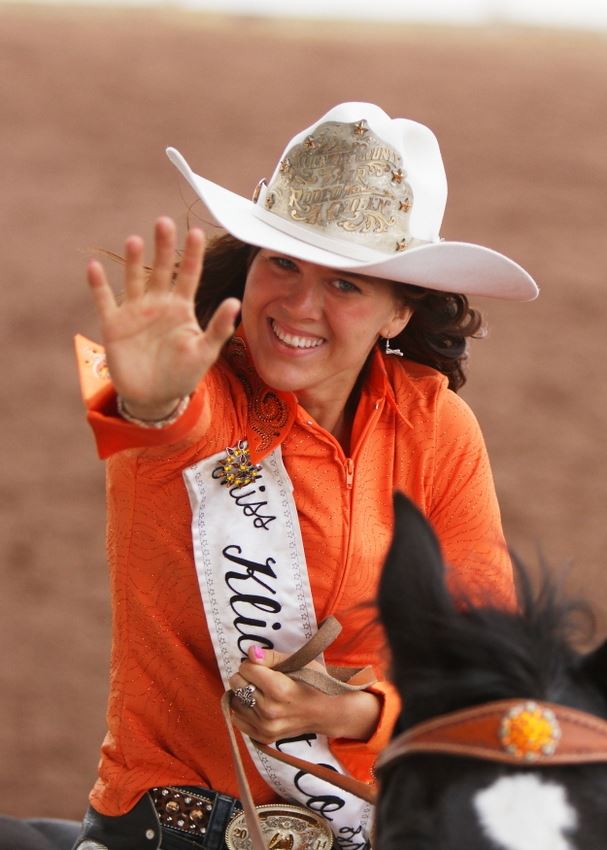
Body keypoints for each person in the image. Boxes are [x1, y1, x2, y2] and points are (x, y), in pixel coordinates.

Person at [63, 102, 537, 850]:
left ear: (395, 314)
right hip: (172, 826)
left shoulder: (436, 428)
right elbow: (165, 423)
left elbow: (485, 659)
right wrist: (150, 397)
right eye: (281, 261)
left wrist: (354, 715)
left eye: (345, 284)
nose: (298, 303)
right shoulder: (200, 388)